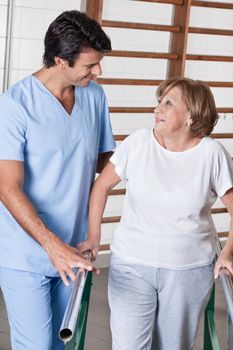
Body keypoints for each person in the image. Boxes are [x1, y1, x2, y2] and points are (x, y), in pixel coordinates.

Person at [78, 77, 233, 350]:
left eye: (168, 103)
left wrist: (227, 253)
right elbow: (101, 186)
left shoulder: (212, 154)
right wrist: (93, 237)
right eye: (159, 102)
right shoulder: (138, 143)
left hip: (188, 270)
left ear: (191, 115)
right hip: (132, 264)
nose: (157, 109)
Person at [0, 10, 115, 350]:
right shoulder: (14, 106)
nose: (98, 72)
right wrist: (51, 246)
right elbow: (7, 187)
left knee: (58, 344)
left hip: (76, 248)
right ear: (59, 61)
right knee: (36, 345)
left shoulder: (94, 96)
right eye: (90, 66)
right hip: (27, 253)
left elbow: (105, 164)